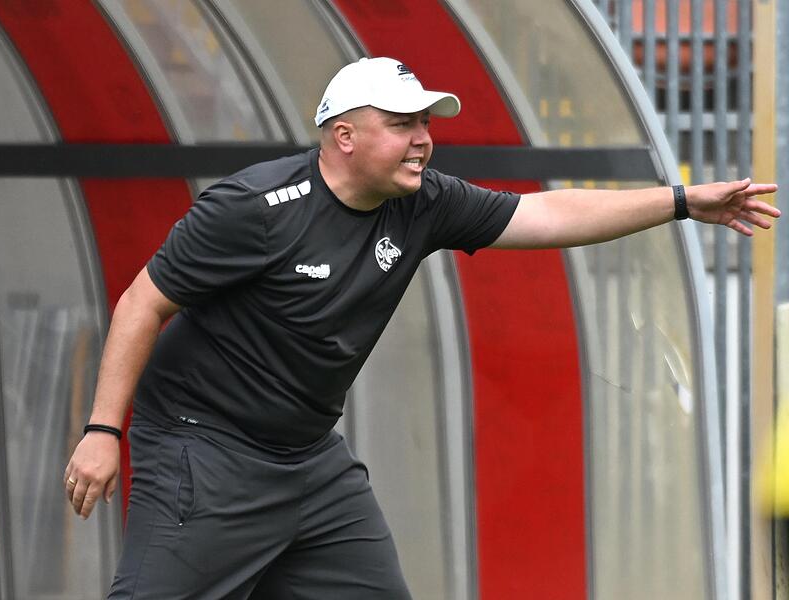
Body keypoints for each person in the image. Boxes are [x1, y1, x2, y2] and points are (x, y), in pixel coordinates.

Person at [64, 57, 780, 599]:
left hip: (308, 461)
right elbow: (142, 304)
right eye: (403, 125)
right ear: (344, 136)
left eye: (426, 124)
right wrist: (103, 432)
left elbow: (545, 215)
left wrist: (684, 201)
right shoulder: (254, 207)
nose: (423, 141)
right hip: (204, 448)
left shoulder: (422, 203)